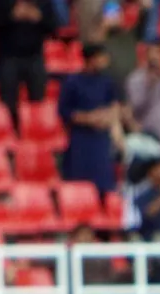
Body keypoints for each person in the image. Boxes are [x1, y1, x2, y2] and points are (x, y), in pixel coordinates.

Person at [59, 44, 121, 195]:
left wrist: (106, 118)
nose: (105, 61)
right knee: (80, 186)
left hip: (101, 138)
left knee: (103, 185)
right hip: (81, 139)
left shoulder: (107, 82)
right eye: (101, 57)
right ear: (91, 59)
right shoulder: (72, 82)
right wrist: (89, 118)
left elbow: (114, 106)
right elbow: (64, 111)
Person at [0, 0, 57, 130]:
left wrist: (39, 17)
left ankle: (36, 131)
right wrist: (12, 16)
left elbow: (53, 27)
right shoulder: (2, 3)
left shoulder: (43, 3)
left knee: (38, 99)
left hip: (35, 57)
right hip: (8, 57)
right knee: (8, 101)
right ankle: (12, 132)